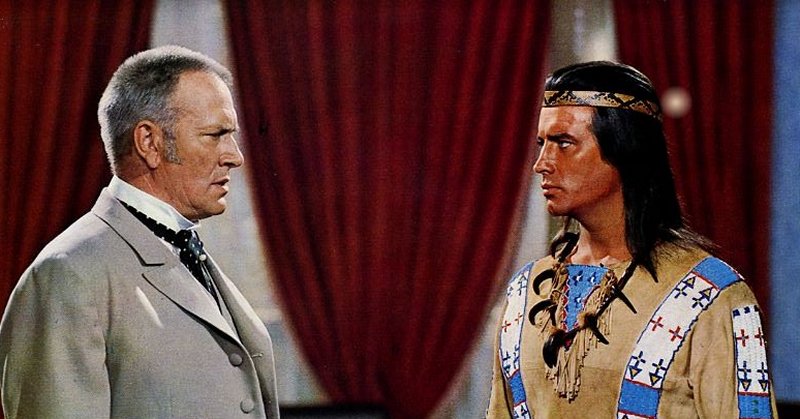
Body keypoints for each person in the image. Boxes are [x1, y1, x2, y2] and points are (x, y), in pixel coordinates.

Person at [0, 45, 280, 418]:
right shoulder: (67, 274)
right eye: (216, 134)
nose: (235, 156)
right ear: (149, 142)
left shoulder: (187, 251)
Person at [487, 61, 777, 418]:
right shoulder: (525, 292)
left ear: (624, 150)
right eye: (541, 143)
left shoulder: (713, 296)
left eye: (563, 143)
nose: (542, 163)